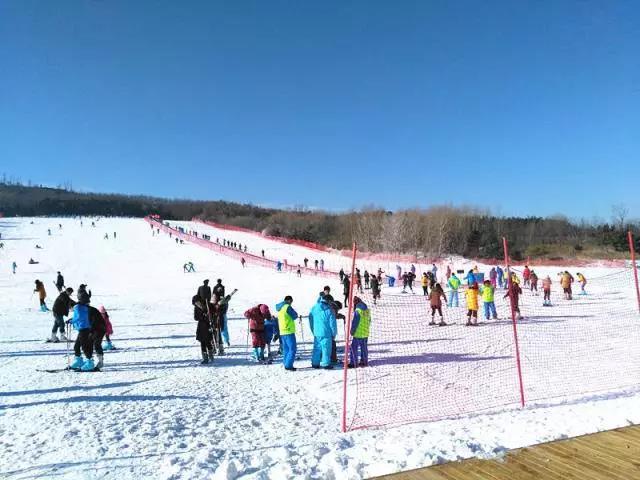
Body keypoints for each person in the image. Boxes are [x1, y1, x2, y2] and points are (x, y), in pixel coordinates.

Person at [69, 287, 101, 371]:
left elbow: (78, 317)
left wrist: (72, 321)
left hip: (83, 329)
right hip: (85, 328)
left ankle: (89, 363)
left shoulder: (78, 307)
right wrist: (72, 320)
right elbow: (80, 316)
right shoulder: (85, 307)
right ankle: (79, 361)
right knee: (77, 346)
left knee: (84, 346)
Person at [309, 295, 337, 369]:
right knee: (326, 349)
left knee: (317, 348)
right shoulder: (330, 310)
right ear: (328, 301)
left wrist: (313, 330)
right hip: (326, 333)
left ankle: (315, 363)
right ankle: (326, 364)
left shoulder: (314, 308)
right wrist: (334, 333)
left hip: (317, 332)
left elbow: (311, 320)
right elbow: (332, 323)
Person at [276, 296, 299, 371]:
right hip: (289, 331)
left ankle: (286, 363)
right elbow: (295, 315)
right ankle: (288, 365)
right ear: (289, 300)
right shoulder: (287, 307)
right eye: (291, 301)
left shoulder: (280, 308)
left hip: (282, 331)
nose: (291, 303)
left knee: (286, 349)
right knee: (292, 349)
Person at [348, 296, 371, 368]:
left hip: (358, 334)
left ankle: (353, 362)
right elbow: (369, 320)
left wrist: (352, 331)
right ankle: (364, 361)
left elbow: (355, 323)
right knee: (364, 348)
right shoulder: (367, 310)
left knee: (354, 347)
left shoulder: (358, 311)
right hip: (365, 332)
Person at [193, 294, 214, 364]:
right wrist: (203, 316)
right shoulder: (197, 307)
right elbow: (196, 317)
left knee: (207, 342)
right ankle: (206, 358)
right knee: (203, 342)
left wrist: (208, 316)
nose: (197, 303)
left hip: (206, 326)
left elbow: (212, 313)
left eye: (197, 302)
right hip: (202, 326)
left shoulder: (207, 305)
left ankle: (210, 357)